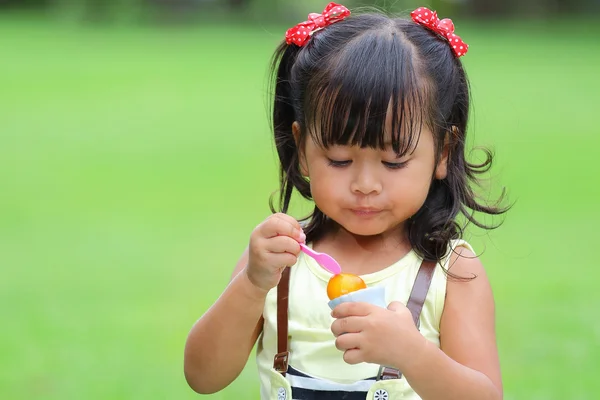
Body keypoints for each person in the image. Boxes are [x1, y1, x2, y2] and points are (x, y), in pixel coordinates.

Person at [184, 3, 509, 399]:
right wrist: (251, 284)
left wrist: (412, 353)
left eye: (393, 162)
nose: (365, 184)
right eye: (339, 160)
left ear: (442, 152)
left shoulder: (450, 271)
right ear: (302, 148)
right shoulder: (281, 261)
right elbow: (203, 376)